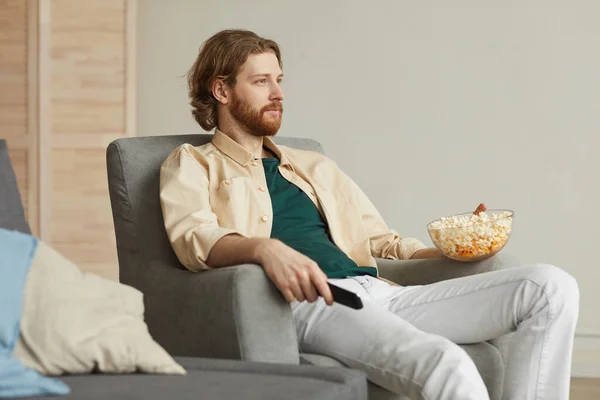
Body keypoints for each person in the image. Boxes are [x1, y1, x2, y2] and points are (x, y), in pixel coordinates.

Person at [159, 29, 579, 400]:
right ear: (222, 91)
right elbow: (192, 238)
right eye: (262, 81)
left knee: (549, 286)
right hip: (315, 301)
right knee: (444, 362)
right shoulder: (194, 163)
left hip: (381, 293)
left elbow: (383, 242)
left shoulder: (314, 166)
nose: (278, 93)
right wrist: (264, 249)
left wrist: (455, 248)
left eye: (280, 80)